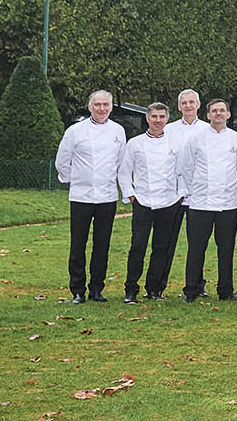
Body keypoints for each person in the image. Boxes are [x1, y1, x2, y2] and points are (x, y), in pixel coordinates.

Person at [55, 89, 125, 304]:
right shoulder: (75, 131)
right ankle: (77, 289)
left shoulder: (118, 131)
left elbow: (121, 162)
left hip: (107, 196)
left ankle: (97, 288)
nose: (101, 109)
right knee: (78, 244)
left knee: (102, 245)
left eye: (105, 105)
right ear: (90, 107)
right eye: (97, 105)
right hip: (80, 196)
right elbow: (62, 160)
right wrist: (73, 180)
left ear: (111, 107)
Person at [118, 102, 183, 302]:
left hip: (167, 202)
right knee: (137, 246)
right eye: (154, 116)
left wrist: (179, 196)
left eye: (161, 117)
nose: (157, 120)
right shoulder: (135, 143)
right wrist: (131, 195)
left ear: (167, 119)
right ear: (148, 118)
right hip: (143, 202)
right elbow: (124, 172)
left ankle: (154, 289)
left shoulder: (175, 143)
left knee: (161, 248)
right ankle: (131, 289)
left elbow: (183, 172)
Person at [179, 99, 237, 302]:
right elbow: (187, 167)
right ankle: (191, 289)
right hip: (200, 204)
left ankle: (225, 290)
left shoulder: (236, 139)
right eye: (214, 111)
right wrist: (198, 189)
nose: (218, 114)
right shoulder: (196, 138)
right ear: (207, 115)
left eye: (222, 111)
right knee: (196, 248)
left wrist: (227, 186)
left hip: (227, 204)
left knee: (226, 249)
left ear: (228, 114)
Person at [162, 89, 207, 274]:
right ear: (179, 106)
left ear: (198, 104)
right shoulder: (169, 129)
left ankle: (197, 284)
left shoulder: (207, 129)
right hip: (173, 194)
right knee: (166, 242)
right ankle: (158, 285)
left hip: (199, 195)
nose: (188, 106)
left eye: (191, 102)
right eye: (184, 103)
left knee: (198, 243)